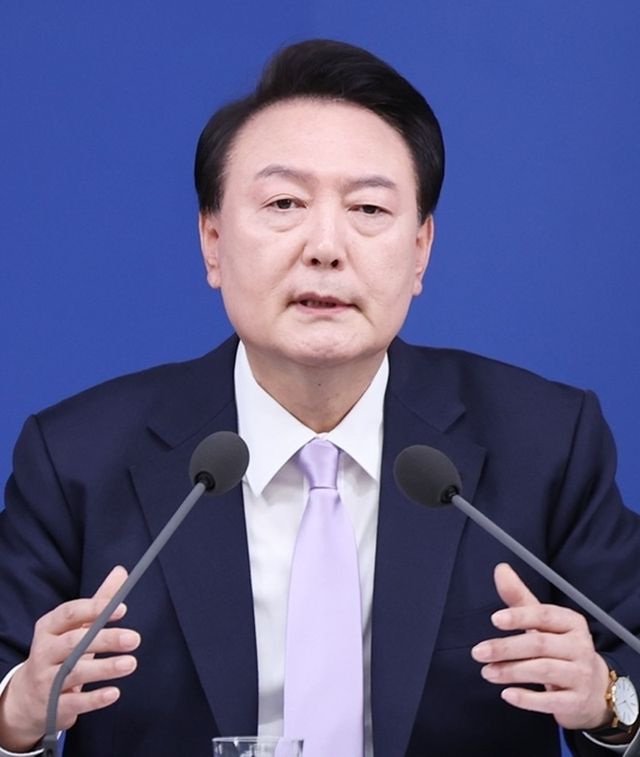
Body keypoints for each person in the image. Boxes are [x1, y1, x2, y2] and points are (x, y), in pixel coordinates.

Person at [0, 39, 639, 757]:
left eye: (368, 207)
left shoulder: (544, 441)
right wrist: (17, 710)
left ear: (421, 250)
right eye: (284, 203)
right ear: (212, 241)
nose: (326, 247)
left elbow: (632, 665)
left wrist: (606, 696)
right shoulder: (77, 458)